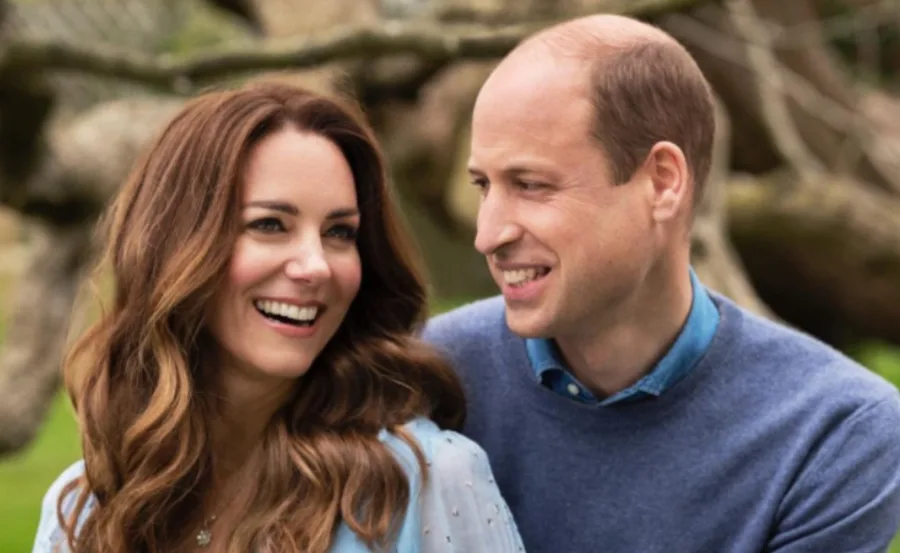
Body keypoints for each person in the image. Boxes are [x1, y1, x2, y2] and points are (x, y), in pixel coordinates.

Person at [422, 13, 900, 553]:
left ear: (662, 182)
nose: (487, 234)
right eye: (484, 185)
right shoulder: (425, 377)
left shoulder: (833, 433)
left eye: (530, 185)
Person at [32, 81, 524, 553]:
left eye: (339, 233)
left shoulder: (427, 481)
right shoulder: (82, 509)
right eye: (270, 225)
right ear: (176, 247)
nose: (315, 266)